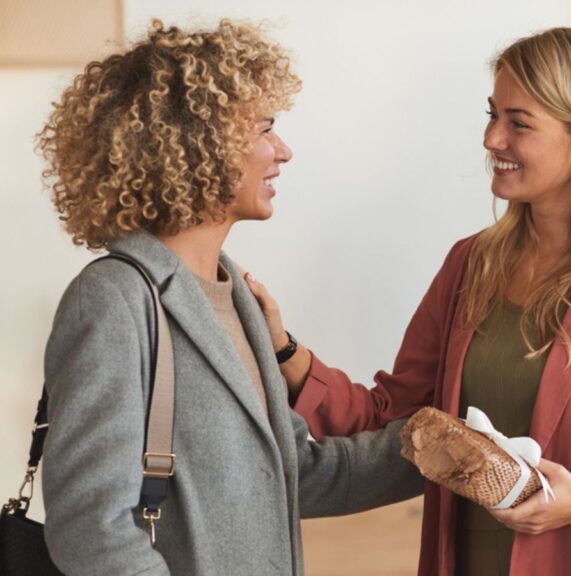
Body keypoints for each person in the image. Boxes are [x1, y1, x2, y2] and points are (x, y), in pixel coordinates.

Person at [247, 27, 571, 576]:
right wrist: (284, 349)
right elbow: (396, 416)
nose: (491, 139)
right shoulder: (468, 266)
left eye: (518, 123)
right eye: (492, 114)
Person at [36, 20, 420, 575]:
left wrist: (432, 449)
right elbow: (90, 526)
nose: (282, 150)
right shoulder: (113, 300)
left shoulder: (235, 292)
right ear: (198, 144)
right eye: (265, 128)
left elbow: (290, 472)